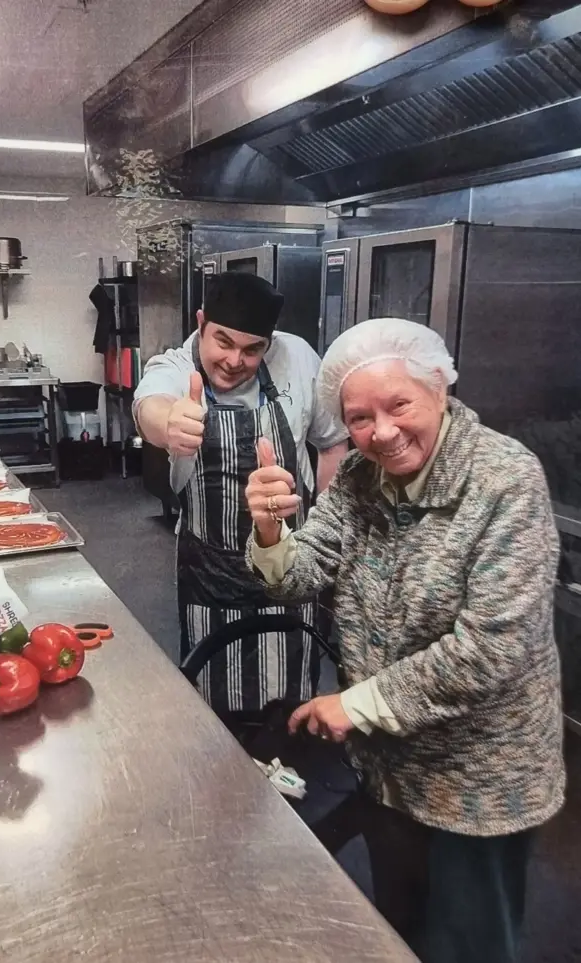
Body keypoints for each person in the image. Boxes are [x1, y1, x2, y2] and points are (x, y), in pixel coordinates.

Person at [245, 317, 565, 963]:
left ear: (439, 387)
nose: (382, 432)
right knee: (399, 930)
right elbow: (301, 576)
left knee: (471, 943)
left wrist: (354, 703)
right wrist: (271, 530)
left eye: (399, 405)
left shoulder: (503, 479)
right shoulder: (360, 475)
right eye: (359, 418)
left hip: (477, 779)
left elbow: (490, 649)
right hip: (387, 768)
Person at [133, 271, 349, 714]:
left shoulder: (299, 358)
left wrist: (326, 528)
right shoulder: (176, 367)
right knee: (216, 703)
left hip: (290, 563)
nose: (235, 360)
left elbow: (332, 444)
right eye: (223, 342)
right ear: (201, 323)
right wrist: (170, 423)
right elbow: (149, 405)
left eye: (253, 349)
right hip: (211, 571)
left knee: (291, 704)